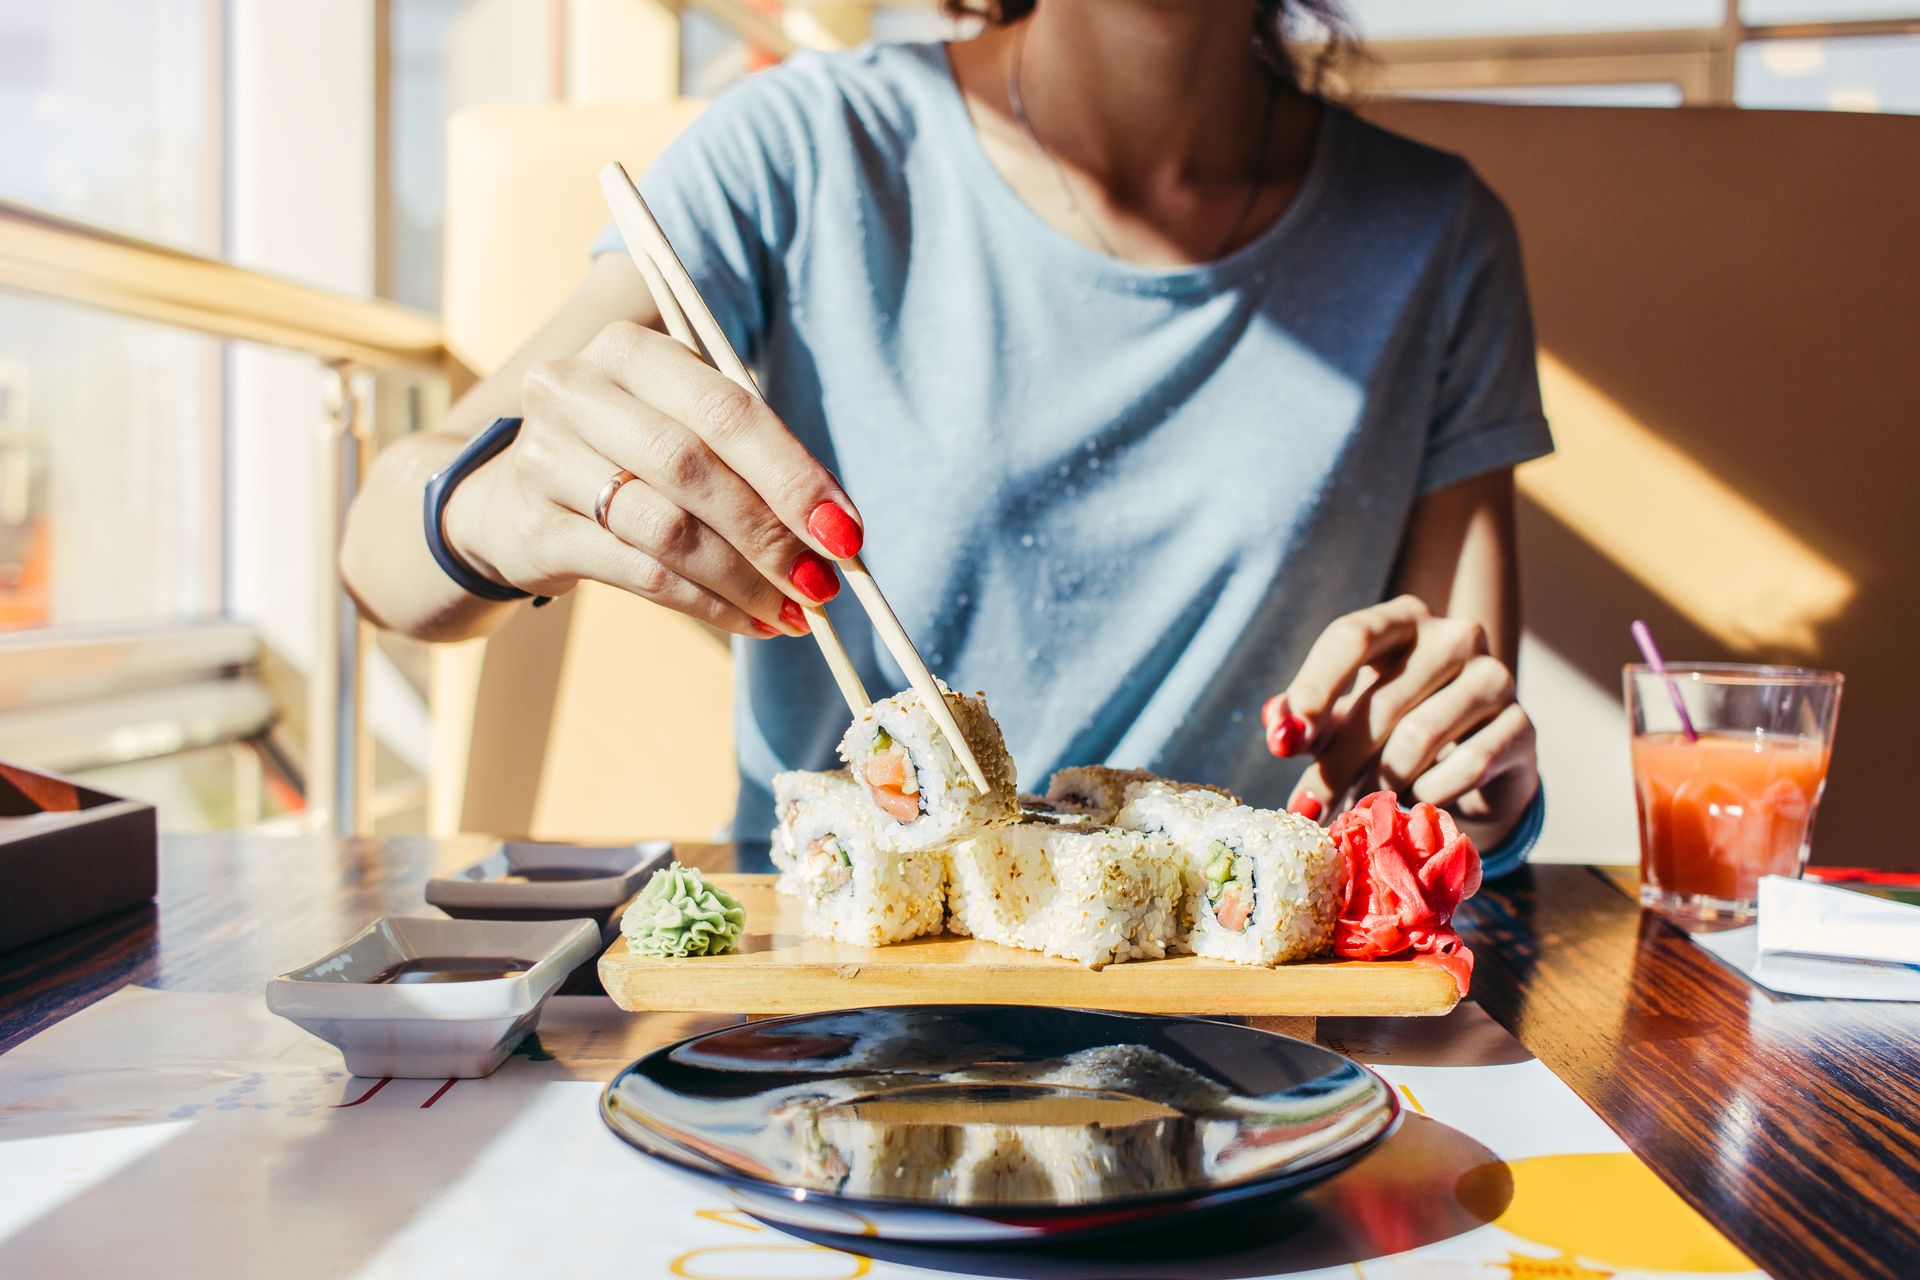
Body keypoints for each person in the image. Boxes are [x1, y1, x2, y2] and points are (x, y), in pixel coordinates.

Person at [342, 0, 1550, 873]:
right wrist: (488, 511)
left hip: (1234, 1005)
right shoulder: (805, 147)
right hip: (840, 980)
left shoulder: (1440, 237)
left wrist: (1468, 777)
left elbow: (1446, 761)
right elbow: (382, 559)